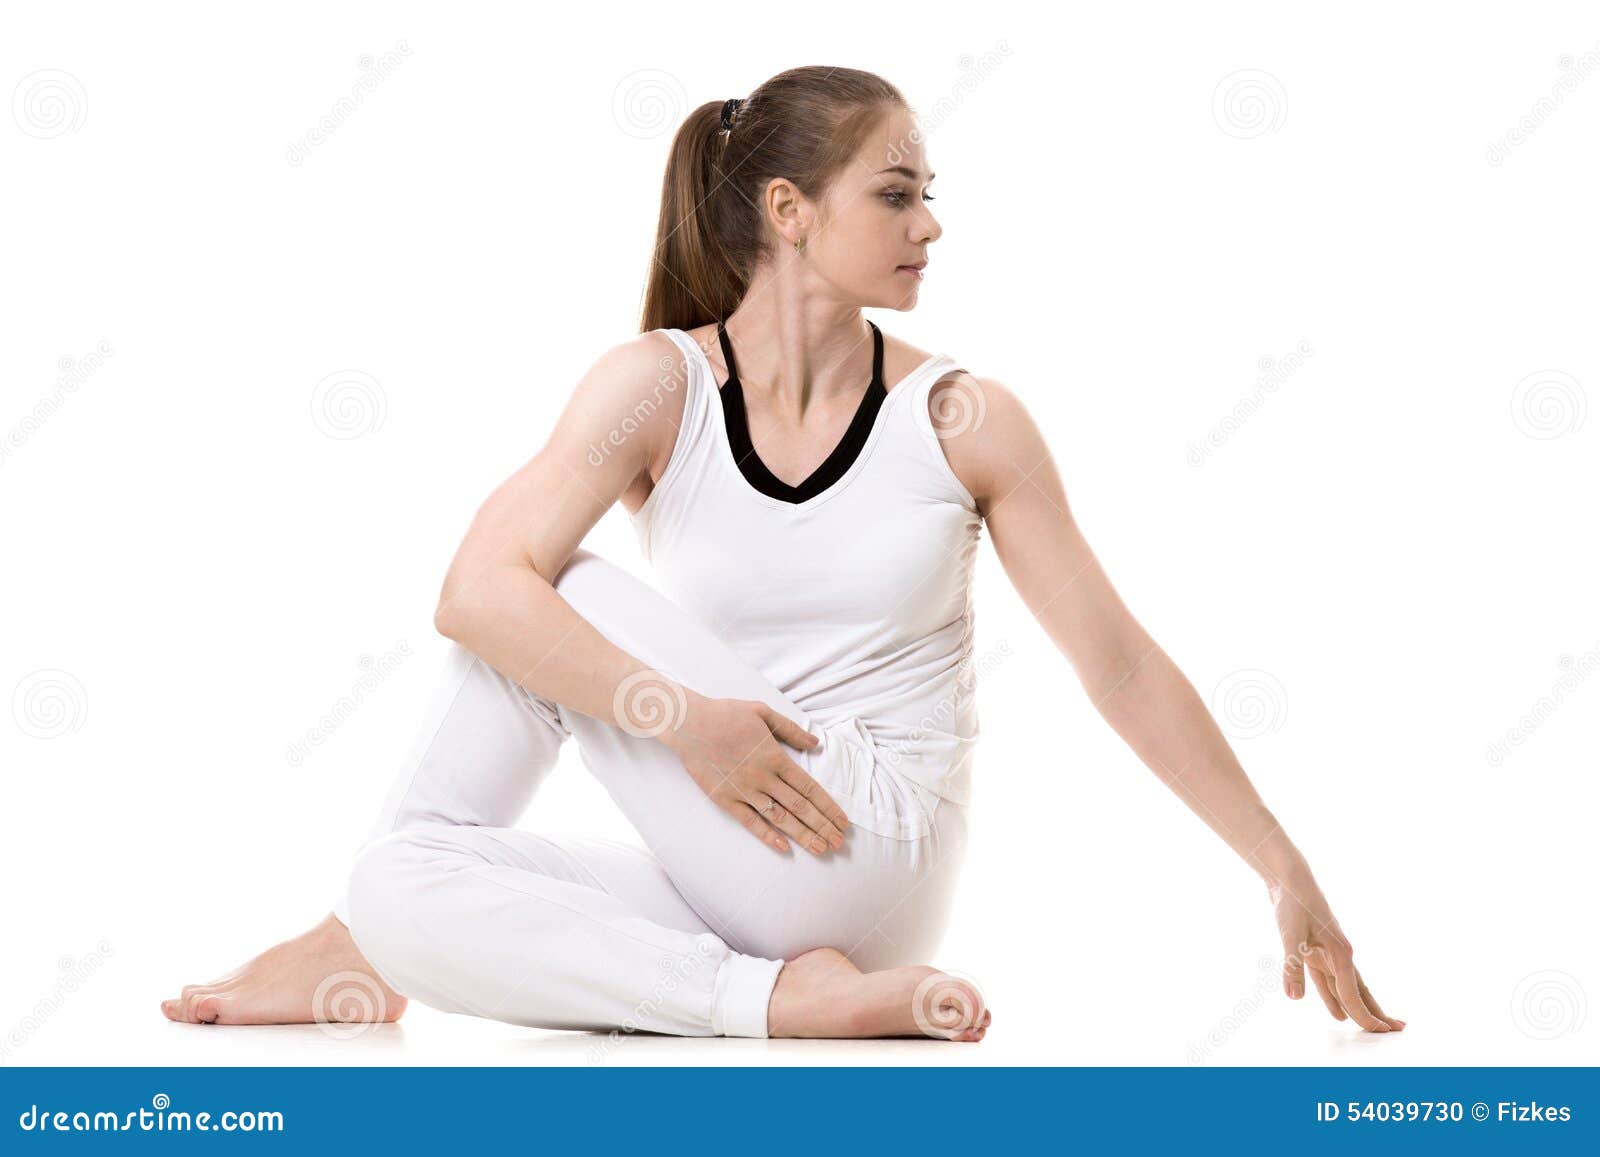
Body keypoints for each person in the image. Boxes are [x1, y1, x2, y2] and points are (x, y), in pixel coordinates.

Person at [161, 66, 1402, 1041]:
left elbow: (1117, 664)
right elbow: (464, 598)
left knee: (556, 589)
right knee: (401, 879)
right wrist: (692, 725)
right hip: (730, 862)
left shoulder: (962, 417)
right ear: (788, 210)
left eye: (926, 193)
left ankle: (721, 985)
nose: (931, 223)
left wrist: (1281, 864)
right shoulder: (659, 386)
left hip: (874, 851)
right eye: (897, 191)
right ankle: (455, 955)